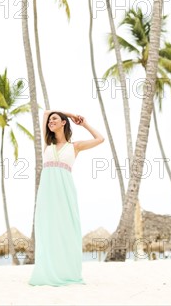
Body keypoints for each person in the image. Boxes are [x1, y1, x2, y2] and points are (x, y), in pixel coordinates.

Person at [28, 110, 105, 287]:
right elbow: (46, 112)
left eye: (55, 119)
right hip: (47, 194)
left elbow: (100, 139)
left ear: (63, 123)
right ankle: (48, 271)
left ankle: (67, 272)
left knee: (67, 231)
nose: (50, 121)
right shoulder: (48, 145)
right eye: (49, 121)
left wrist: (83, 123)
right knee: (47, 231)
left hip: (65, 193)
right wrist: (69, 114)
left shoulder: (75, 146)